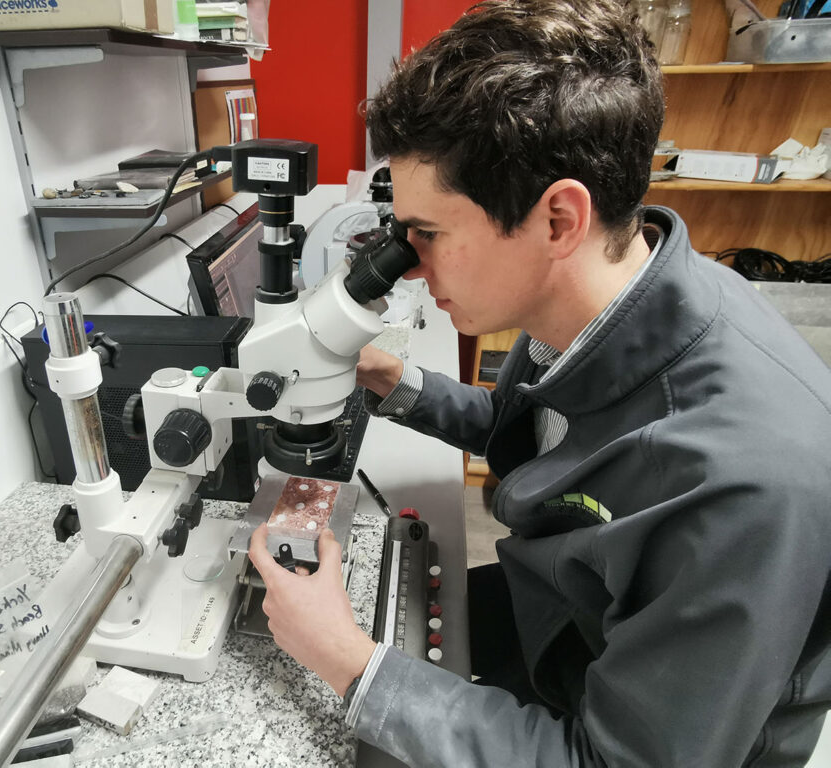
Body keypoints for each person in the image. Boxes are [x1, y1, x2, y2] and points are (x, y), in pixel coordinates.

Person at [248, 0, 831, 765]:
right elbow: (539, 433)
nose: (411, 263)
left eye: (426, 233)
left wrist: (350, 664)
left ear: (558, 219)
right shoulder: (615, 294)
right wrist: (397, 383)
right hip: (573, 621)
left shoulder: (740, 484)